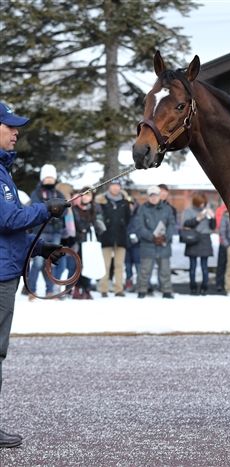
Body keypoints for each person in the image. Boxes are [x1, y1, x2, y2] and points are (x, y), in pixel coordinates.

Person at [0, 102, 69, 447]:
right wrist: (46, 209)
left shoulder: (4, 173)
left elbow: (8, 232)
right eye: (10, 127)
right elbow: (8, 220)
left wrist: (38, 249)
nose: (17, 133)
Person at [27, 163, 67, 297]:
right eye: (47, 177)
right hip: (40, 231)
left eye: (51, 177)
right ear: (42, 178)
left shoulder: (59, 193)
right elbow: (35, 208)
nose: (49, 179)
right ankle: (31, 289)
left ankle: (50, 290)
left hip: (56, 232)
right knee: (37, 263)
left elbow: (66, 211)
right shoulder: (36, 193)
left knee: (51, 261)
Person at [133, 185, 176, 299]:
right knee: (145, 270)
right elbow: (139, 226)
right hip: (148, 245)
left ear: (159, 196)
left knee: (165, 270)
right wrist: (151, 237)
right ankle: (142, 290)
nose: (154, 198)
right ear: (148, 197)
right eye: (151, 196)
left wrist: (165, 237)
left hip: (163, 244)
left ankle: (166, 290)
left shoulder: (167, 209)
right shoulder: (142, 209)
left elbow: (172, 224)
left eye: (156, 195)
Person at [95, 179, 131, 297]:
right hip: (106, 236)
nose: (115, 188)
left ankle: (118, 289)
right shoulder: (102, 201)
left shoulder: (125, 202)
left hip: (121, 237)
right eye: (113, 186)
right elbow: (98, 218)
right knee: (105, 264)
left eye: (117, 186)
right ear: (109, 187)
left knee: (119, 265)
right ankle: (103, 289)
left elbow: (128, 219)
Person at [182, 192, 215, 295]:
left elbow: (213, 227)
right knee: (193, 267)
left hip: (205, 239)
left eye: (203, 203)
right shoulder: (188, 211)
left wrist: (212, 217)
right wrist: (197, 219)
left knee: (204, 267)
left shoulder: (208, 210)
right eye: (200, 203)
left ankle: (204, 288)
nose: (202, 205)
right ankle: (193, 287)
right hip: (193, 239)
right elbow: (186, 224)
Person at [71, 188, 101, 299]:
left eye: (88, 195)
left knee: (89, 265)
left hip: (90, 242)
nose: (85, 197)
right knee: (77, 266)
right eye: (84, 195)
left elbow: (98, 224)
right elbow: (73, 224)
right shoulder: (74, 209)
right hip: (77, 241)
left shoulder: (95, 209)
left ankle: (86, 288)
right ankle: (76, 288)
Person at [124, 190, 142, 293]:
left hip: (137, 244)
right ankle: (129, 281)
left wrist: (137, 237)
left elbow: (141, 227)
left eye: (132, 204)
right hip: (126, 244)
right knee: (128, 265)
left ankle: (140, 283)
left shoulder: (139, 214)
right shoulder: (124, 215)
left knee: (138, 265)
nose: (130, 207)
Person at [214, 199, 228, 293]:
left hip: (224, 240)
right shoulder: (219, 210)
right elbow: (218, 225)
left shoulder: (219, 210)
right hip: (224, 240)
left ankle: (221, 284)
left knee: (223, 264)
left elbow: (218, 225)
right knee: (223, 264)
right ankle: (221, 283)